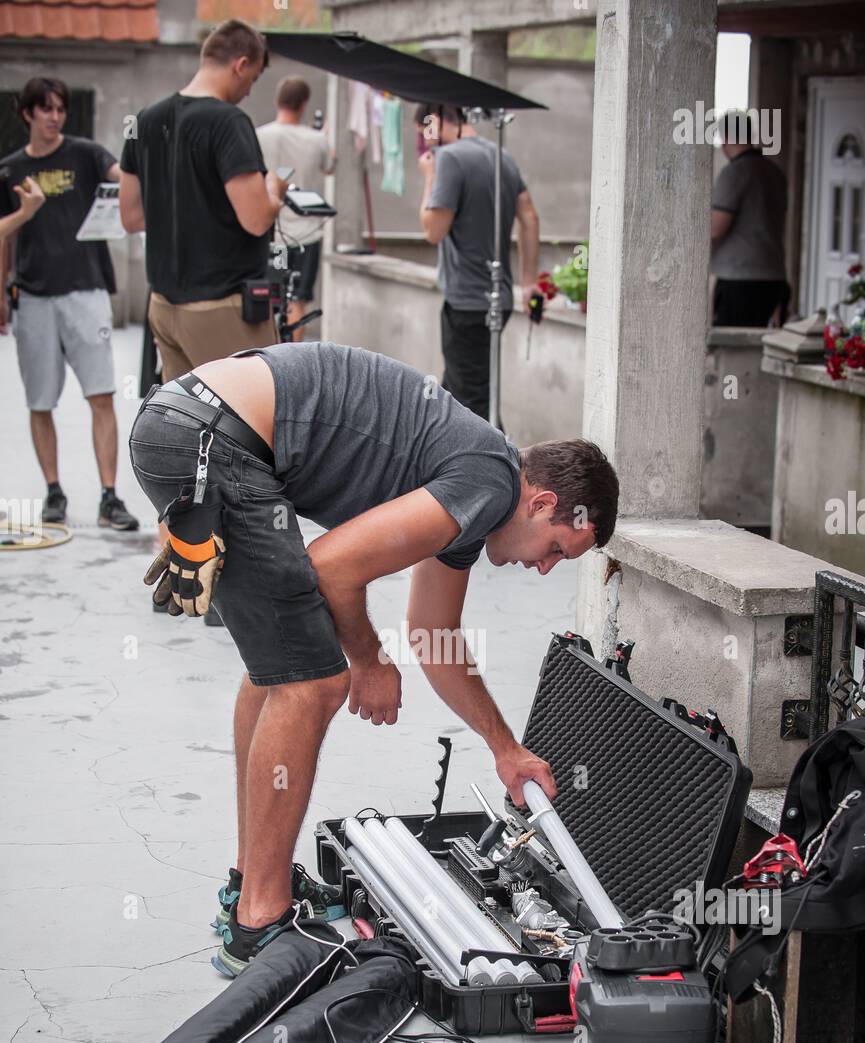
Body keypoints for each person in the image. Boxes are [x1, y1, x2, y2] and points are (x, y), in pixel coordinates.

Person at [128, 343, 618, 977]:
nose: (546, 567)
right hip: (212, 439)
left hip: (191, 424)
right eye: (557, 549)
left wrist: (505, 748)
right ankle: (260, 927)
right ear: (545, 502)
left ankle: (250, 889)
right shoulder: (489, 481)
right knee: (314, 680)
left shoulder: (473, 500)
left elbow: (433, 634)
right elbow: (330, 568)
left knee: (280, 670)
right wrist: (366, 658)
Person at [0, 77, 138, 529]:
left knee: (101, 394)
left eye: (60, 108)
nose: (55, 116)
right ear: (28, 114)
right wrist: (4, 286)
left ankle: (109, 497)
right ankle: (53, 492)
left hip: (87, 291)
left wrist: (140, 162)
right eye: (46, 109)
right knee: (40, 401)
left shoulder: (87, 153)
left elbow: (123, 179)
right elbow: (4, 235)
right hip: (33, 298)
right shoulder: (10, 170)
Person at [118, 19, 288, 382]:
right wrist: (275, 191)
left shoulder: (145, 120)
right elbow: (256, 219)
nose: (247, 91)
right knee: (248, 426)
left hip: (164, 305)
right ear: (240, 64)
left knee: (185, 427)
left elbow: (130, 217)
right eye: (253, 79)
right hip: (223, 306)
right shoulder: (228, 122)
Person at [415, 104, 540, 420]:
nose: (427, 145)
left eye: (426, 133)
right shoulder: (502, 156)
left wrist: (429, 177)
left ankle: (499, 467)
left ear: (438, 121)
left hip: (465, 301)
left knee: (469, 409)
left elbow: (433, 230)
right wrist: (528, 282)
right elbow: (529, 216)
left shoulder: (449, 159)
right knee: (469, 395)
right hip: (499, 298)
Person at [256, 77, 335, 341]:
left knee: (267, 297)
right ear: (303, 105)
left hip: (270, 229)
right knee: (297, 299)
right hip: (307, 232)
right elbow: (330, 166)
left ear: (278, 101)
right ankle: (293, 361)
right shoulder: (317, 140)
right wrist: (324, 138)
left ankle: (266, 354)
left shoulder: (259, 136)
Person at [710, 110, 789, 328]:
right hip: (774, 276)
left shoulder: (734, 173)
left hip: (741, 278)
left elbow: (716, 228)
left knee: (733, 352)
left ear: (725, 137)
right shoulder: (774, 172)